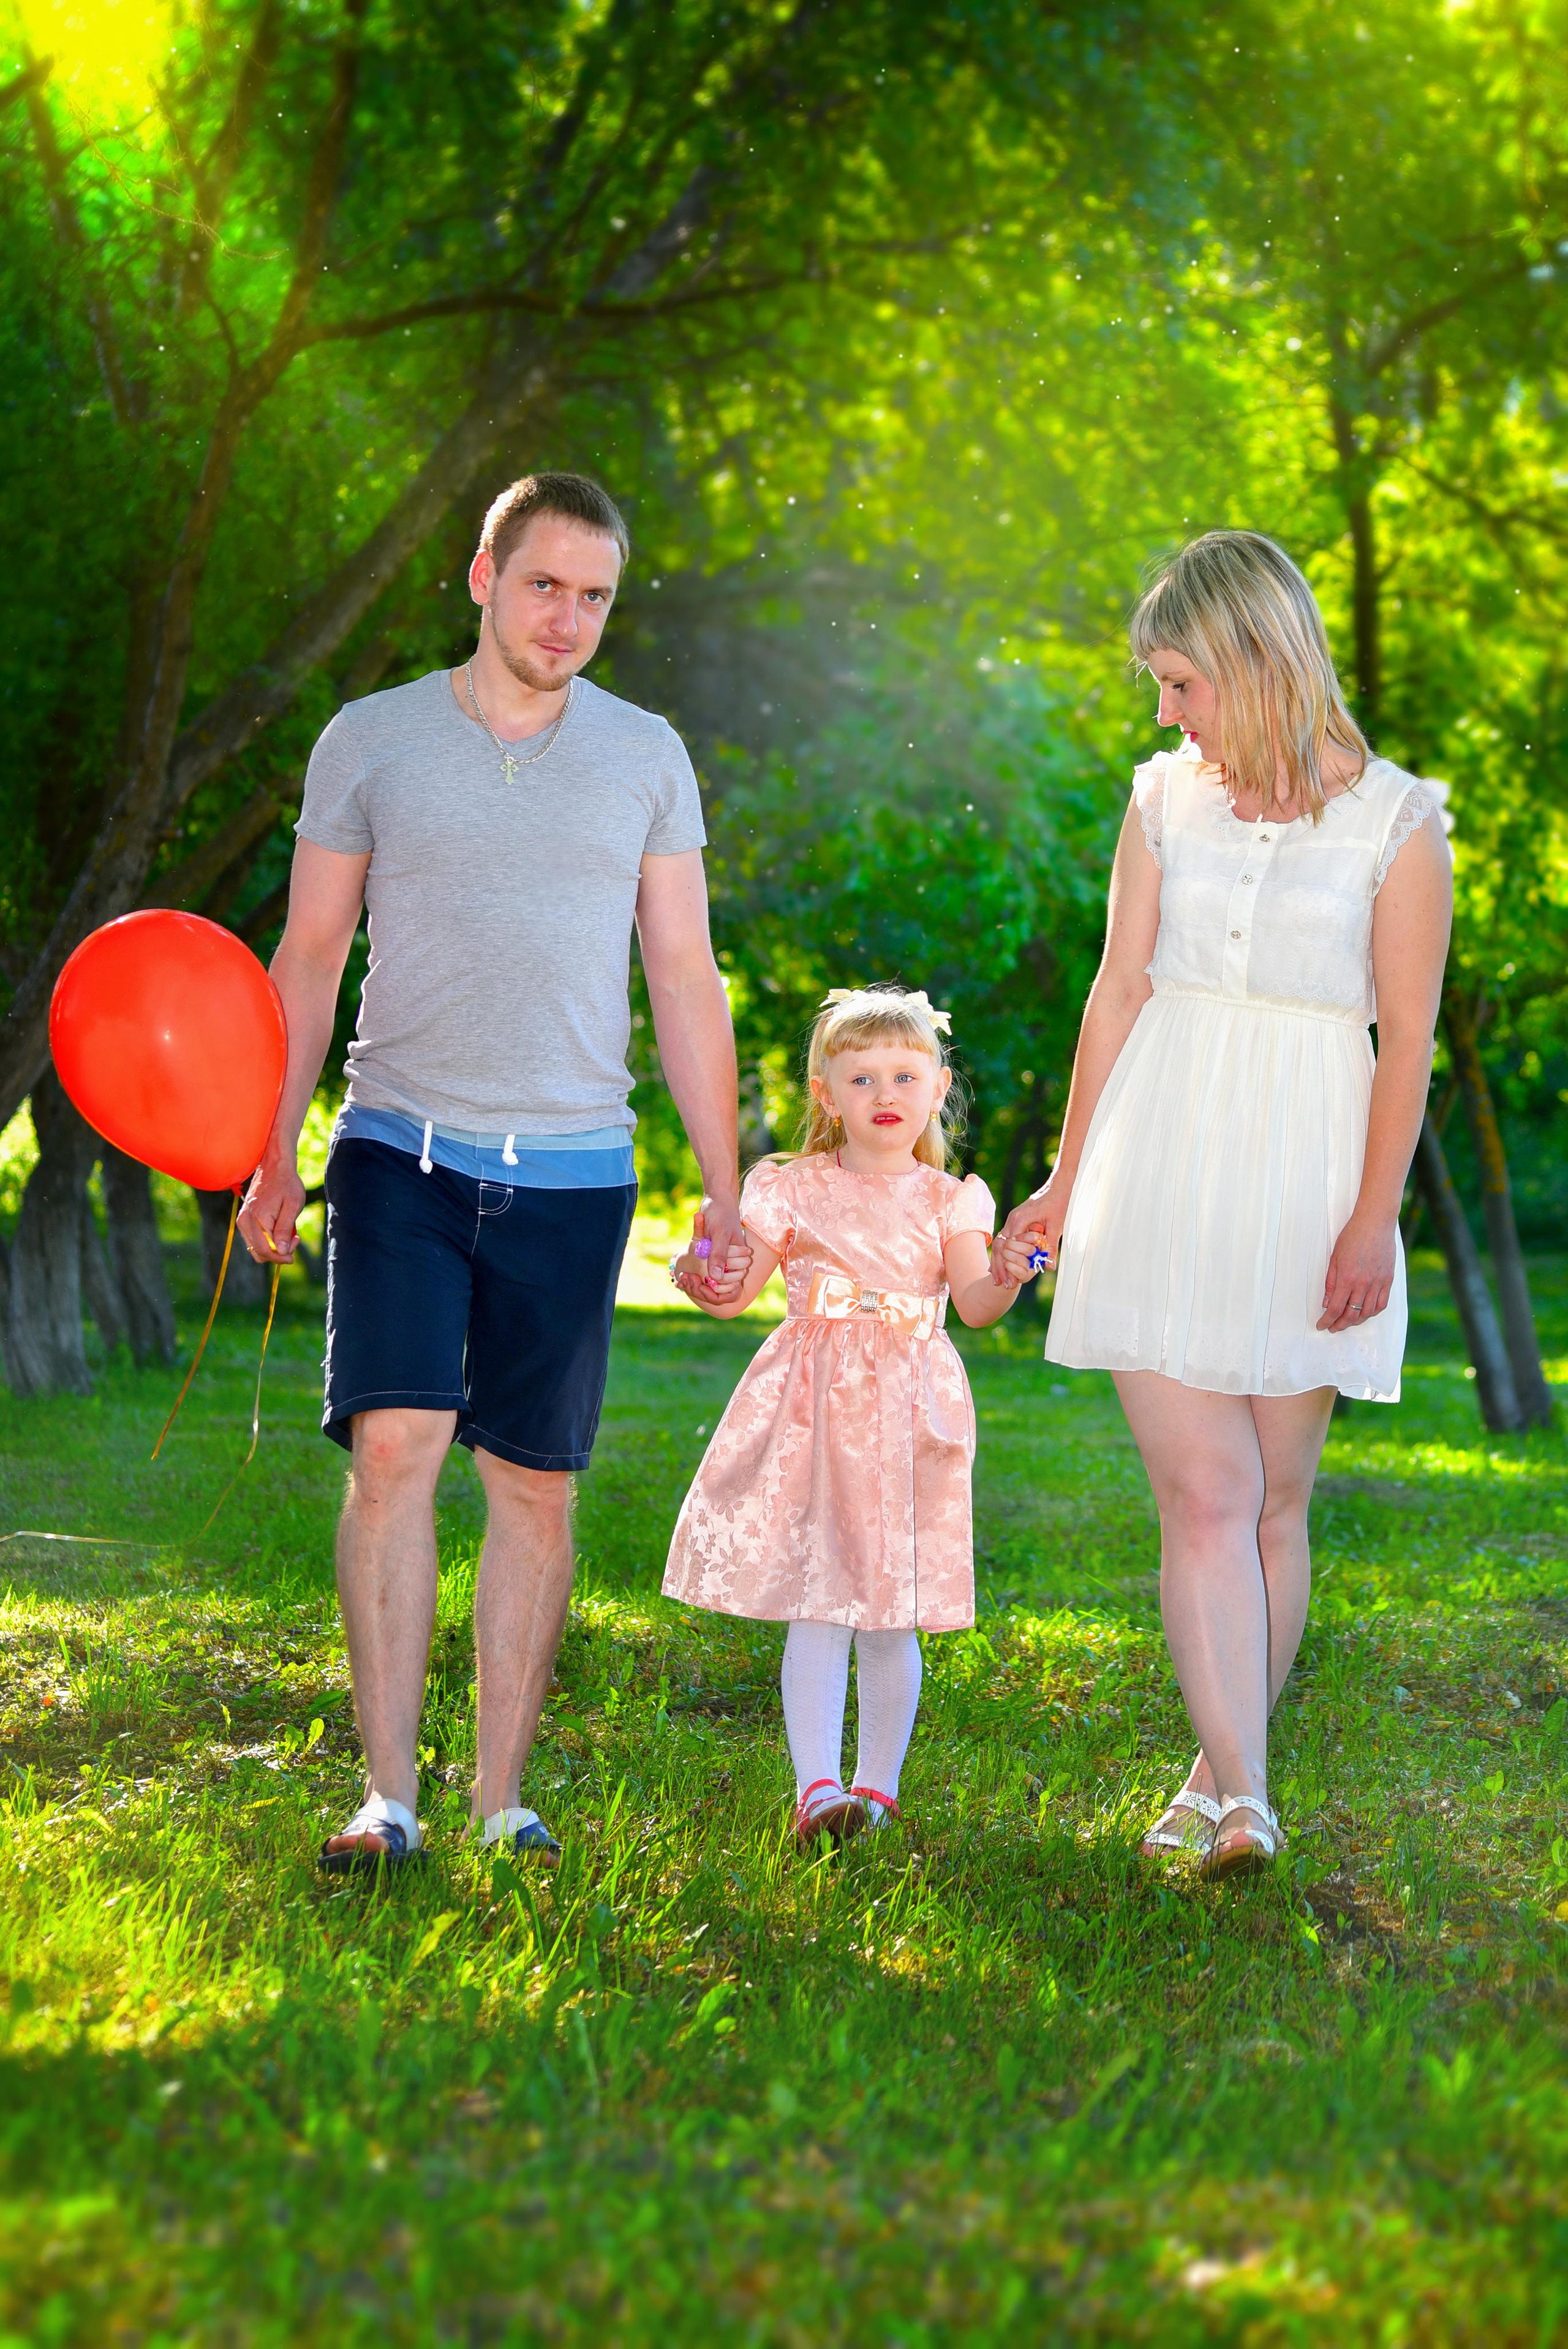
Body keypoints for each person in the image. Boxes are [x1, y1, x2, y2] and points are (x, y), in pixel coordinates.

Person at [237, 470, 749, 1874]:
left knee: (533, 1485)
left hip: (576, 1169)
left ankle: (498, 1799)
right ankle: (386, 1799)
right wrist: (270, 1145)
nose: (568, 617)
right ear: (480, 576)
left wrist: (727, 1183)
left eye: (594, 595)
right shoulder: (371, 739)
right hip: (398, 1144)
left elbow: (685, 975)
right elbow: (308, 954)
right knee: (398, 1447)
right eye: (544, 585)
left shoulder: (646, 754)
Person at [997, 531, 1452, 1880]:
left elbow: (1407, 1040)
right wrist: (1067, 1179)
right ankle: (1251, 1801)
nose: (1163, 712)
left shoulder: (1397, 824)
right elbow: (1114, 991)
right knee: (1203, 1490)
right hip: (1159, 1155)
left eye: (1180, 681)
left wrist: (1371, 1218)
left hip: (1309, 1176)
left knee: (1270, 1504)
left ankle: (1215, 1775)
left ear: (1256, 660)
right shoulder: (1158, 800)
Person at [662, 986, 1036, 1846]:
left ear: (939, 1088)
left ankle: (877, 1788)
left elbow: (975, 1302)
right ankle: (817, 1786)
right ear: (826, 1093)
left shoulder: (952, 1200)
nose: (885, 1095)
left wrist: (1011, 1272)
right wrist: (704, 1278)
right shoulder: (792, 1189)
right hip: (814, 1410)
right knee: (820, 1595)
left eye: (905, 1075)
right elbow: (736, 1292)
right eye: (861, 1077)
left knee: (890, 1605)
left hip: (910, 1413)